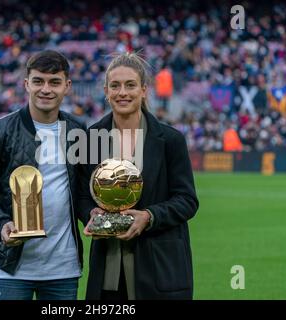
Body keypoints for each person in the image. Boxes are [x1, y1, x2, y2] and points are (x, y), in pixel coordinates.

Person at [0, 50, 85, 300]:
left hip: (63, 268)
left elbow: (82, 191)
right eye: (38, 81)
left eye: (55, 82)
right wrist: (0, 224)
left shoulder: (78, 130)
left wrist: (95, 213)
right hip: (10, 267)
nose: (46, 89)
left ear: (67, 86)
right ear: (26, 84)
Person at [80, 52, 199, 300]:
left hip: (159, 267)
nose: (122, 92)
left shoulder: (170, 140)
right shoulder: (91, 138)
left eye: (130, 85)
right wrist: (90, 213)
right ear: (106, 91)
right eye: (115, 86)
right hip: (108, 271)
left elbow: (187, 200)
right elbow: (81, 195)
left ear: (144, 90)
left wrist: (148, 216)